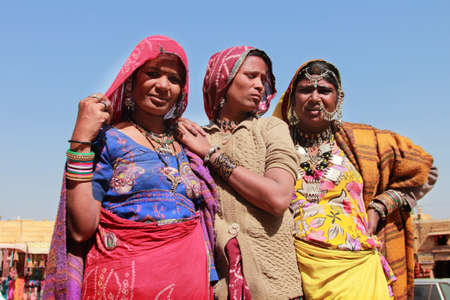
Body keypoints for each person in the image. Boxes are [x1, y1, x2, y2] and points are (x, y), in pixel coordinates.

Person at [42, 35, 218, 299]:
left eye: (174, 79)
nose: (163, 86)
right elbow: (81, 229)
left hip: (190, 283)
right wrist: (80, 141)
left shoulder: (187, 144)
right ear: (132, 78)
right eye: (153, 73)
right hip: (123, 284)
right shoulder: (108, 140)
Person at [273, 59, 438, 299]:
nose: (315, 97)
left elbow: (427, 172)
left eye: (325, 90)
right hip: (295, 272)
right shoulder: (275, 144)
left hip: (358, 273)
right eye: (306, 89)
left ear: (339, 98)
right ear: (291, 97)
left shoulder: (364, 141)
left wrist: (381, 206)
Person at [178, 46, 303, 300]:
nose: (260, 85)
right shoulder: (192, 136)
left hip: (276, 285)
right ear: (223, 79)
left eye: (263, 79)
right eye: (250, 76)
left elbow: (278, 197)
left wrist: (212, 155)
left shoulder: (271, 128)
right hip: (219, 288)